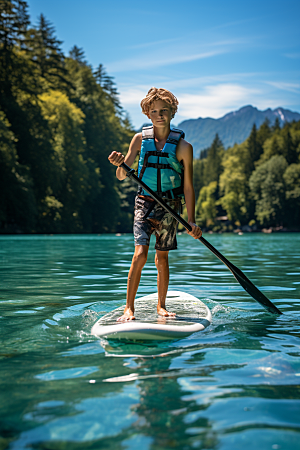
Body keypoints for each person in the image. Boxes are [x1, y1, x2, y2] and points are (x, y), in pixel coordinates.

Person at [108, 87, 202, 321]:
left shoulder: (184, 147)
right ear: (147, 114)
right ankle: (128, 307)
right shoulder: (139, 140)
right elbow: (121, 175)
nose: (160, 115)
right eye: (155, 111)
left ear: (173, 113)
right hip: (144, 203)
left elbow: (188, 186)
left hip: (171, 207)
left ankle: (161, 306)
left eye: (165, 111)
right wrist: (120, 163)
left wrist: (191, 221)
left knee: (162, 257)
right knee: (140, 253)